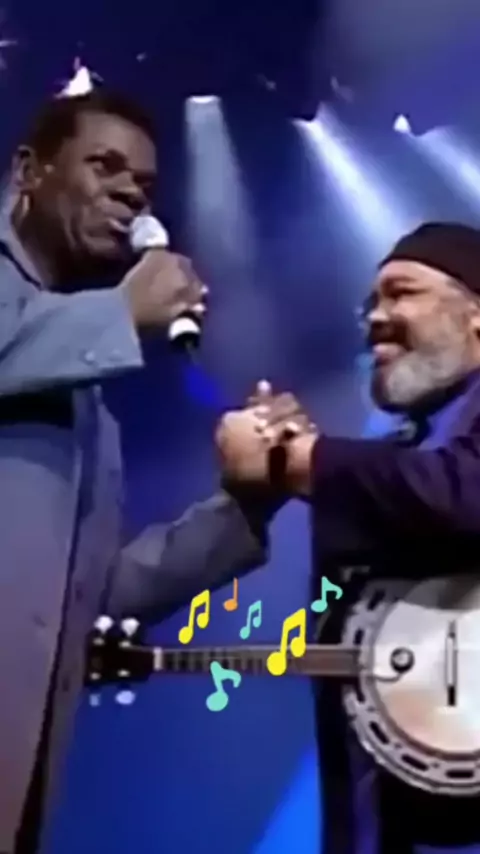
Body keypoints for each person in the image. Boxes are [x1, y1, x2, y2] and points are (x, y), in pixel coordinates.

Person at [0, 90, 310, 854]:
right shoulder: (69, 338)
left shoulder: (83, 396)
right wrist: (117, 315)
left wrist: (245, 504)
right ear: (29, 172)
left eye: (143, 185)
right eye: (104, 166)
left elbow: (93, 598)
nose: (129, 194)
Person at [217, 222, 480, 854]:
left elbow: (466, 495)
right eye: (371, 304)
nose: (376, 319)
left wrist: (305, 461)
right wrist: (283, 462)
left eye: (402, 293)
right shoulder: (407, 453)